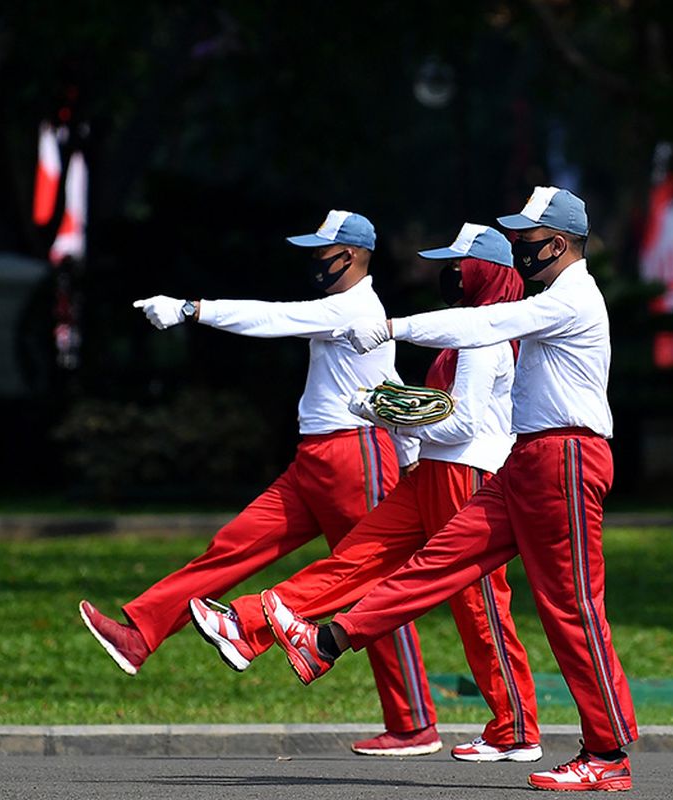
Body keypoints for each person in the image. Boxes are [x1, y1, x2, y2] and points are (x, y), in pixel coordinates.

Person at [264, 188, 639, 792]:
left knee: (572, 608)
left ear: (561, 244)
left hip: (566, 458)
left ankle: (607, 753)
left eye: (527, 239)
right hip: (529, 459)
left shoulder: (572, 298)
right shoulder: (553, 296)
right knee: (439, 561)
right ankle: (327, 642)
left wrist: (391, 326)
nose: (518, 249)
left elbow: (485, 323)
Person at [78, 210, 440, 755]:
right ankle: (140, 633)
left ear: (350, 256)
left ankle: (414, 722)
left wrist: (191, 310)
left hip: (355, 457)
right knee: (233, 545)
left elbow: (272, 319)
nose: (313, 261)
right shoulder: (351, 310)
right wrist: (411, 450)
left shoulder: (353, 306)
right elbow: (389, 382)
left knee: (368, 586)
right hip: (317, 460)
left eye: (322, 252)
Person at [189, 223, 541, 762]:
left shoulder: (482, 335)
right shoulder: (465, 328)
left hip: (467, 475)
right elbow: (438, 410)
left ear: (484, 272)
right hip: (433, 472)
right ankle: (247, 624)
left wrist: (387, 415)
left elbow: (462, 424)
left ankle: (515, 729)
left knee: (480, 607)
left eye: (458, 265)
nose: (448, 273)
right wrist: (396, 411)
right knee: (355, 558)